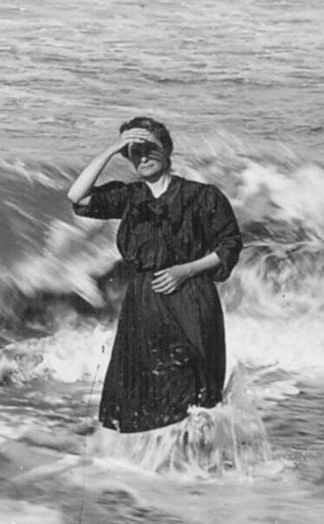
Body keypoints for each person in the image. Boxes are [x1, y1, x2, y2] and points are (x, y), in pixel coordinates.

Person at [67, 116, 242, 433]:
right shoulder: (130, 197)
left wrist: (184, 270)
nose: (143, 157)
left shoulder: (203, 196)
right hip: (144, 303)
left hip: (191, 297)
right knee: (146, 390)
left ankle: (204, 466)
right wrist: (111, 150)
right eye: (134, 152)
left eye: (150, 148)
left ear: (168, 150)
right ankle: (161, 471)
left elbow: (230, 245)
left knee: (196, 386)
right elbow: (76, 197)